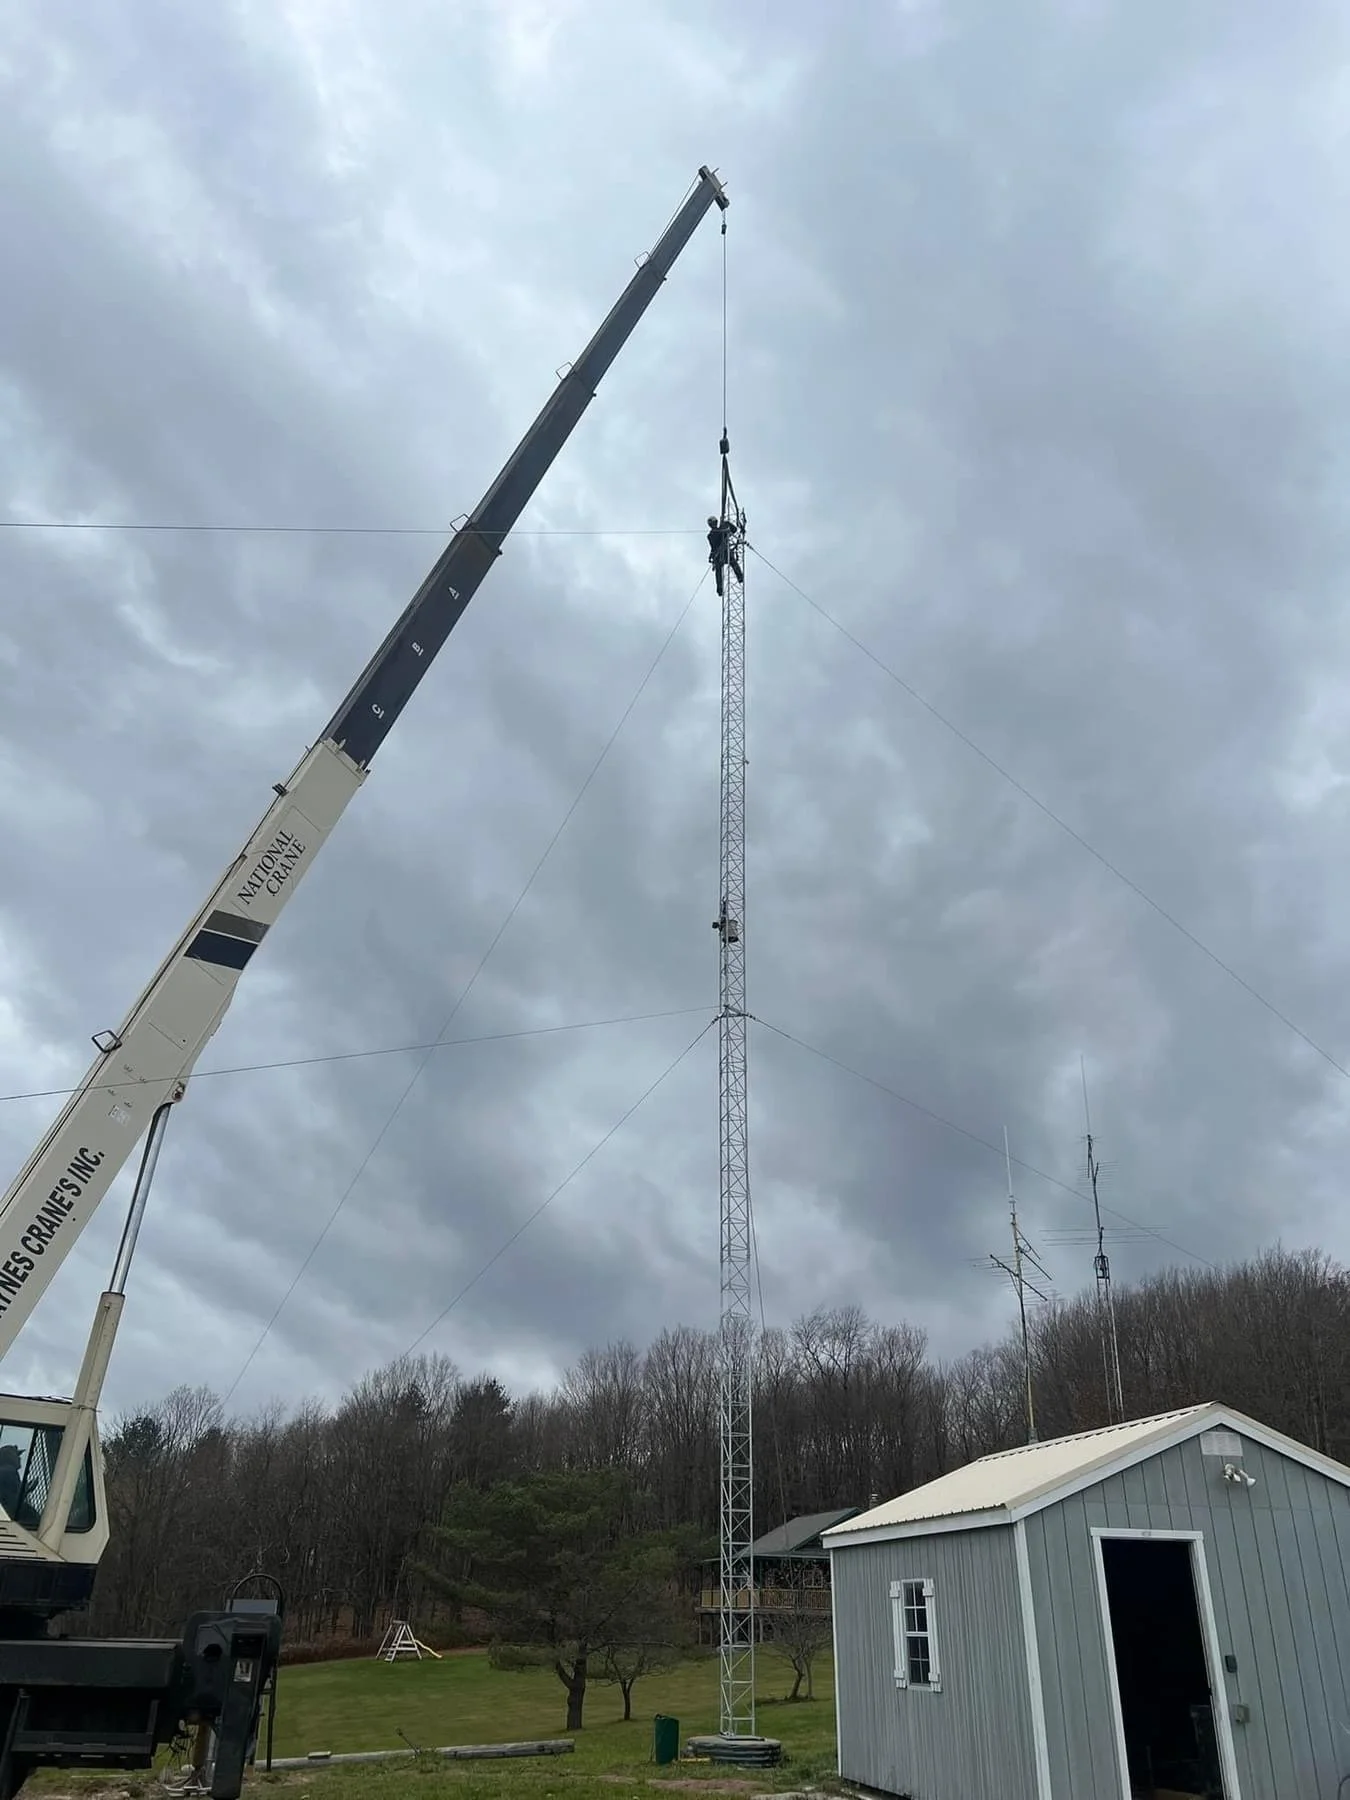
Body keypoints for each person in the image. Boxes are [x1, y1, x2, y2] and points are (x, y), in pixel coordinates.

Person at [707, 515, 743, 597]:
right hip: (718, 554)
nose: (714, 525)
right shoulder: (711, 535)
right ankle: (719, 589)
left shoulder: (723, 526)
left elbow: (734, 530)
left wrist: (727, 525)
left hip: (725, 551)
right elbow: (714, 544)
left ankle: (740, 576)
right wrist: (723, 530)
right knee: (718, 571)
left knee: (732, 561)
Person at [0, 1445, 22, 1522]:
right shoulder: (9, 1471)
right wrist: (26, 1489)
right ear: (8, 1457)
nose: (20, 1458)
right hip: (7, 1513)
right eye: (17, 1455)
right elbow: (11, 1499)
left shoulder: (5, 1471)